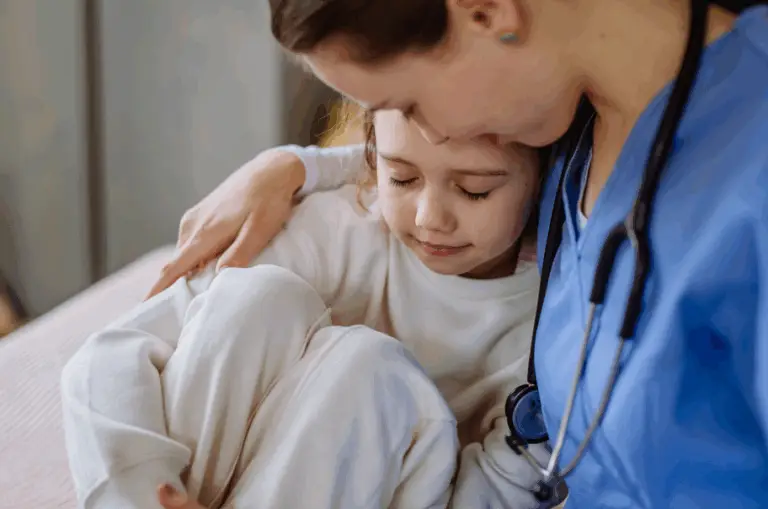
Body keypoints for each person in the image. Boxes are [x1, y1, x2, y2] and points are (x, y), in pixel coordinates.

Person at [148, 1, 768, 507]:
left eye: (409, 105)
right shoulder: (567, 129)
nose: (427, 128)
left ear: (487, 12)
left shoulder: (750, 175)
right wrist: (295, 167)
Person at [61, 108, 557, 509]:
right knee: (259, 296)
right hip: (196, 489)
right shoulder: (343, 227)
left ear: (547, 176)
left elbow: (503, 491)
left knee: (370, 368)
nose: (429, 219)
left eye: (474, 190)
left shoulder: (555, 329)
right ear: (371, 159)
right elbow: (105, 360)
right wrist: (138, 495)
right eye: (401, 178)